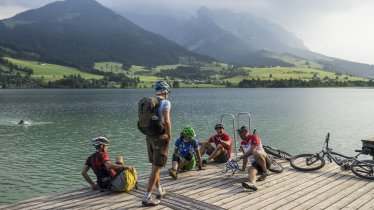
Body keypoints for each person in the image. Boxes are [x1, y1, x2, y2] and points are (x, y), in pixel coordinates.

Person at [142, 81, 172, 206]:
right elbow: (166, 119)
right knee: (156, 167)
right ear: (166, 92)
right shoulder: (165, 102)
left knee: (155, 166)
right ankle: (147, 196)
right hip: (160, 137)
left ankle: (159, 190)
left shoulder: (150, 102)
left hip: (149, 137)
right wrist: (169, 135)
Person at [234, 126, 271, 191]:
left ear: (247, 132)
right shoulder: (242, 143)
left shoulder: (254, 137)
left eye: (241, 132)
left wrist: (239, 158)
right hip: (255, 163)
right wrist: (243, 169)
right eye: (239, 133)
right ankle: (252, 184)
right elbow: (245, 156)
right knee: (251, 170)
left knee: (256, 153)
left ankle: (265, 170)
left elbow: (252, 151)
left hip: (264, 160)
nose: (239, 134)